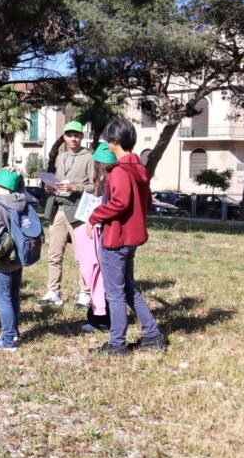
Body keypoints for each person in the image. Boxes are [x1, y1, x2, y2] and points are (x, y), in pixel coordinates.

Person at [86, 118, 167, 356]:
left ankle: (117, 343)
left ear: (114, 142)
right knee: (129, 288)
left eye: (107, 141)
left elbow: (119, 202)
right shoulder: (140, 168)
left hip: (116, 238)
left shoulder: (120, 171)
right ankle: (152, 334)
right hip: (132, 239)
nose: (106, 145)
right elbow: (147, 202)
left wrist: (95, 217)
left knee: (115, 292)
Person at [40, 121, 96, 308]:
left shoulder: (89, 157)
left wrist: (75, 187)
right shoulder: (60, 157)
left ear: (82, 137)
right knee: (54, 253)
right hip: (59, 209)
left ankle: (85, 293)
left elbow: (94, 187)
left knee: (82, 256)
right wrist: (50, 187)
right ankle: (53, 292)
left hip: (79, 211)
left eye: (77, 135)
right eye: (69, 134)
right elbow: (56, 180)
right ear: (64, 137)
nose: (73, 138)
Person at [0, 169, 27, 350]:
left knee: (2, 297)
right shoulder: (22, 200)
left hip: (3, 258)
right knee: (14, 295)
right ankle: (14, 332)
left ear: (1, 187)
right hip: (19, 256)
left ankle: (8, 340)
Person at [74, 142, 116, 333]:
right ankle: (97, 318)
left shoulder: (111, 180)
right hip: (101, 233)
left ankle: (104, 320)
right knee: (98, 278)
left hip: (107, 235)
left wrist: (96, 216)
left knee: (102, 278)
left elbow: (111, 207)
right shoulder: (107, 180)